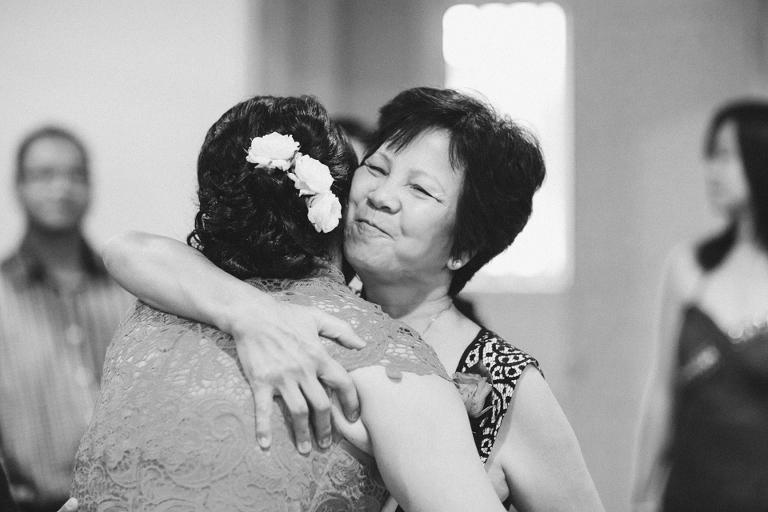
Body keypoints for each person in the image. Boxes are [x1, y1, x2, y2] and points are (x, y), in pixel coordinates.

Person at [103, 87, 604, 511]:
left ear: (465, 249)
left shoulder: (504, 381)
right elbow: (132, 252)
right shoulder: (295, 310)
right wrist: (250, 313)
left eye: (422, 191)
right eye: (378, 168)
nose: (380, 196)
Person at [631, 100, 768, 511]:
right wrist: (639, 495)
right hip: (690, 491)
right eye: (711, 155)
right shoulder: (687, 266)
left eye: (725, 155)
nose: (711, 169)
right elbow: (661, 392)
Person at [0, 126, 134, 512]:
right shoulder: (3, 297)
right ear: (19, 186)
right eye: (44, 175)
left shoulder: (128, 290)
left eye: (75, 175)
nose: (61, 188)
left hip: (131, 499)